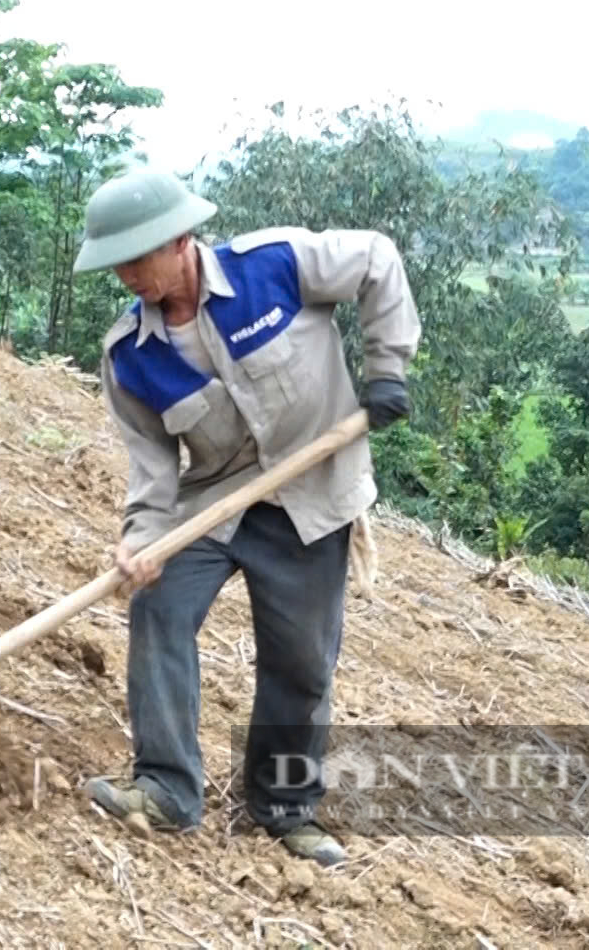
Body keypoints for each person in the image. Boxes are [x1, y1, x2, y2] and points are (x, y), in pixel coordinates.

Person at [72, 168, 420, 866]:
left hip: (310, 495)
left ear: (180, 241)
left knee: (301, 662)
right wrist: (143, 543)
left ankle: (286, 809)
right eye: (118, 266)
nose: (128, 278)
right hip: (212, 505)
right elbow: (153, 471)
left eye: (139, 259)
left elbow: (378, 258)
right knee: (158, 609)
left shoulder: (274, 266)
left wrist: (388, 369)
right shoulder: (129, 357)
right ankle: (167, 789)